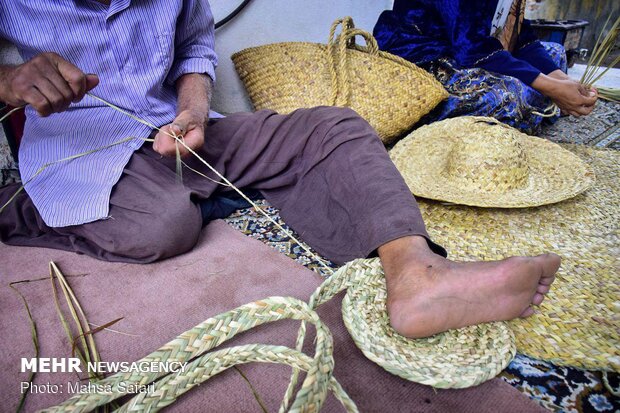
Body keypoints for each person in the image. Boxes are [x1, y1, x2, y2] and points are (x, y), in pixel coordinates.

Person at [0, 0, 560, 339]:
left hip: (177, 129)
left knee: (335, 128)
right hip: (88, 150)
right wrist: (10, 79)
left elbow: (195, 47)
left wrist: (193, 111)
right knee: (160, 226)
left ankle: (416, 275)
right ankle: (22, 207)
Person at [373, 0, 598, 133]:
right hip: (425, 54)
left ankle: (543, 101)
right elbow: (470, 47)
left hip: (473, 48)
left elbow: (518, 34)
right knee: (510, 96)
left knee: (556, 54)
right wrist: (549, 87)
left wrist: (560, 79)